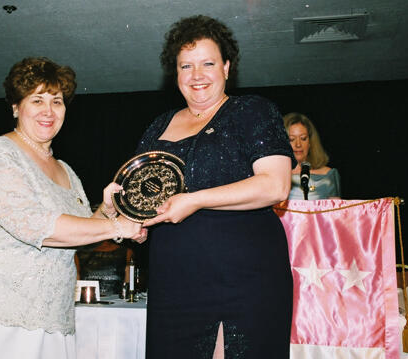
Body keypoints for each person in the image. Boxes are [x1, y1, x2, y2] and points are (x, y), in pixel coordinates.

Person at [0, 57, 145, 359]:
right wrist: (118, 227)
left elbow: (77, 234)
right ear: (16, 106)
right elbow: (35, 225)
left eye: (57, 101)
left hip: (49, 311)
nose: (48, 111)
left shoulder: (66, 170)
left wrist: (106, 212)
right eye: (37, 99)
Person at [136, 15, 296, 358]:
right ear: (175, 74)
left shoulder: (252, 111)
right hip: (173, 281)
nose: (197, 75)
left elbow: (275, 186)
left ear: (226, 67)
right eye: (186, 66)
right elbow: (143, 196)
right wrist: (116, 208)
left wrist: (194, 200)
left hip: (244, 275)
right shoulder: (157, 126)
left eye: (207, 63)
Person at [283, 112, 341, 199]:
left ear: (310, 142)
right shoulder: (275, 176)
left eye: (303, 138)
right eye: (292, 139)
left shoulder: (328, 175)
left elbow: (335, 211)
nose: (298, 144)